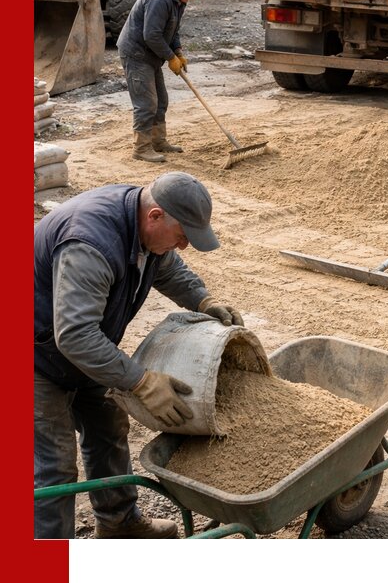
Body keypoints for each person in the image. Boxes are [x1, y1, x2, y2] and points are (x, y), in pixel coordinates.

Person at [34, 171, 243, 539]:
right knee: (54, 465)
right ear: (156, 215)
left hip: (76, 342)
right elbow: (76, 335)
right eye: (182, 236)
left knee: (109, 425)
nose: (184, 246)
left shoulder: (142, 226)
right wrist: (141, 381)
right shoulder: (90, 244)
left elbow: (167, 267)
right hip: (33, 354)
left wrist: (203, 300)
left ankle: (120, 524)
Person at [117, 0, 207, 163]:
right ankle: (141, 149)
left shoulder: (178, 1)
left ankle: (158, 141)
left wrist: (178, 51)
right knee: (146, 103)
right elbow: (151, 35)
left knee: (161, 101)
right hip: (137, 53)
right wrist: (170, 58)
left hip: (151, 54)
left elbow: (172, 30)